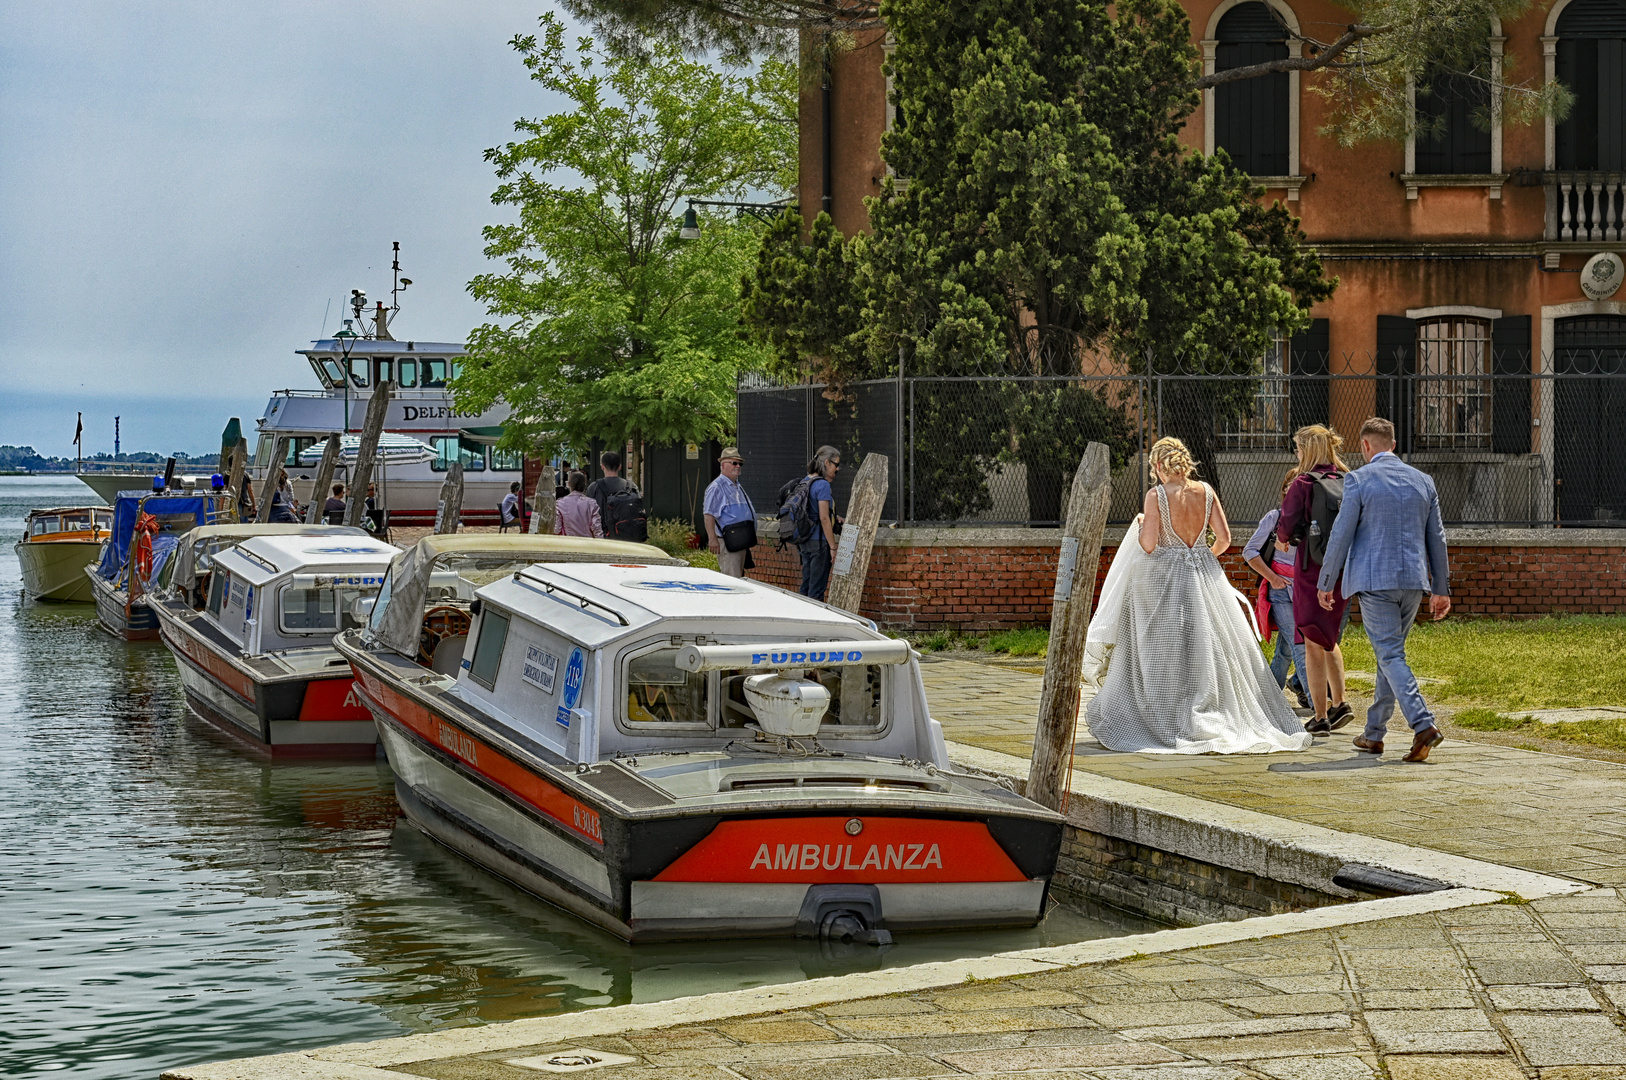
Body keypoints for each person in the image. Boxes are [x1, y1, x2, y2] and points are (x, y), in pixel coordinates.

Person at [1083, 438, 1310, 755]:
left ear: (1160, 466)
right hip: (1204, 575)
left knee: (1166, 648)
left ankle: (1170, 714)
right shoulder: (1206, 491)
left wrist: (1140, 526)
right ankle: (1214, 708)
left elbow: (1148, 545)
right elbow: (1225, 538)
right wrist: (1201, 555)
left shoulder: (1157, 495)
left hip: (1166, 579)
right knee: (1211, 645)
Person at [1318, 417, 1452, 762]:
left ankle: (1424, 725)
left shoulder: (1359, 480)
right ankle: (1374, 734)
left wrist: (1326, 581)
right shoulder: (1424, 481)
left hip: (1374, 581)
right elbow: (1436, 537)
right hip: (1413, 582)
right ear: (1393, 443)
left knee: (1390, 655)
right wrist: (1441, 587)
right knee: (1388, 655)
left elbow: (1341, 534)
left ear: (1365, 446)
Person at [1277, 425, 1353, 736]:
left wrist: (1284, 539)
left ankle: (1320, 714)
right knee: (1329, 636)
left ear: (1306, 450)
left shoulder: (1303, 483)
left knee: (1310, 639)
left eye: (1298, 449)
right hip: (1341, 568)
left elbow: (1286, 523)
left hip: (1311, 568)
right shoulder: (1347, 480)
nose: (1296, 454)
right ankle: (1341, 703)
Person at [1242, 467, 1309, 709]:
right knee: (1299, 645)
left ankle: (1266, 699)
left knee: (1286, 650)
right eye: (1294, 486)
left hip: (1306, 593)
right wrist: (1272, 578)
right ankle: (1319, 707)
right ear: (1285, 490)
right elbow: (1249, 552)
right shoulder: (1274, 518)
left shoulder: (1314, 521)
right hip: (1281, 592)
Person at [799, 446, 844, 601]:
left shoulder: (805, 481)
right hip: (819, 543)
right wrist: (833, 547)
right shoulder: (823, 484)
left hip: (805, 541)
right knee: (816, 590)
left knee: (806, 586)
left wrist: (834, 516)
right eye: (836, 465)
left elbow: (813, 511)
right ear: (826, 462)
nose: (837, 470)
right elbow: (824, 518)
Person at [704, 447, 755, 578]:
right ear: (723, 465)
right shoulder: (717, 487)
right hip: (728, 542)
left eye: (740, 463)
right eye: (734, 463)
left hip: (740, 541)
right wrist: (712, 539)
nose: (738, 466)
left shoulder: (737, 485)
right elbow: (709, 514)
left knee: (738, 578)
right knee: (732, 580)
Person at [586, 450, 636, 522]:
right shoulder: (630, 486)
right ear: (620, 467)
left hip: (601, 531)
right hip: (625, 531)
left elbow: (588, 514)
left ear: (602, 466)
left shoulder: (593, 488)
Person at [555, 471, 603, 538]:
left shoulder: (560, 503)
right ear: (585, 485)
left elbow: (556, 529)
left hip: (569, 544)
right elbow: (597, 529)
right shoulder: (591, 503)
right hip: (587, 545)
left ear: (569, 484)